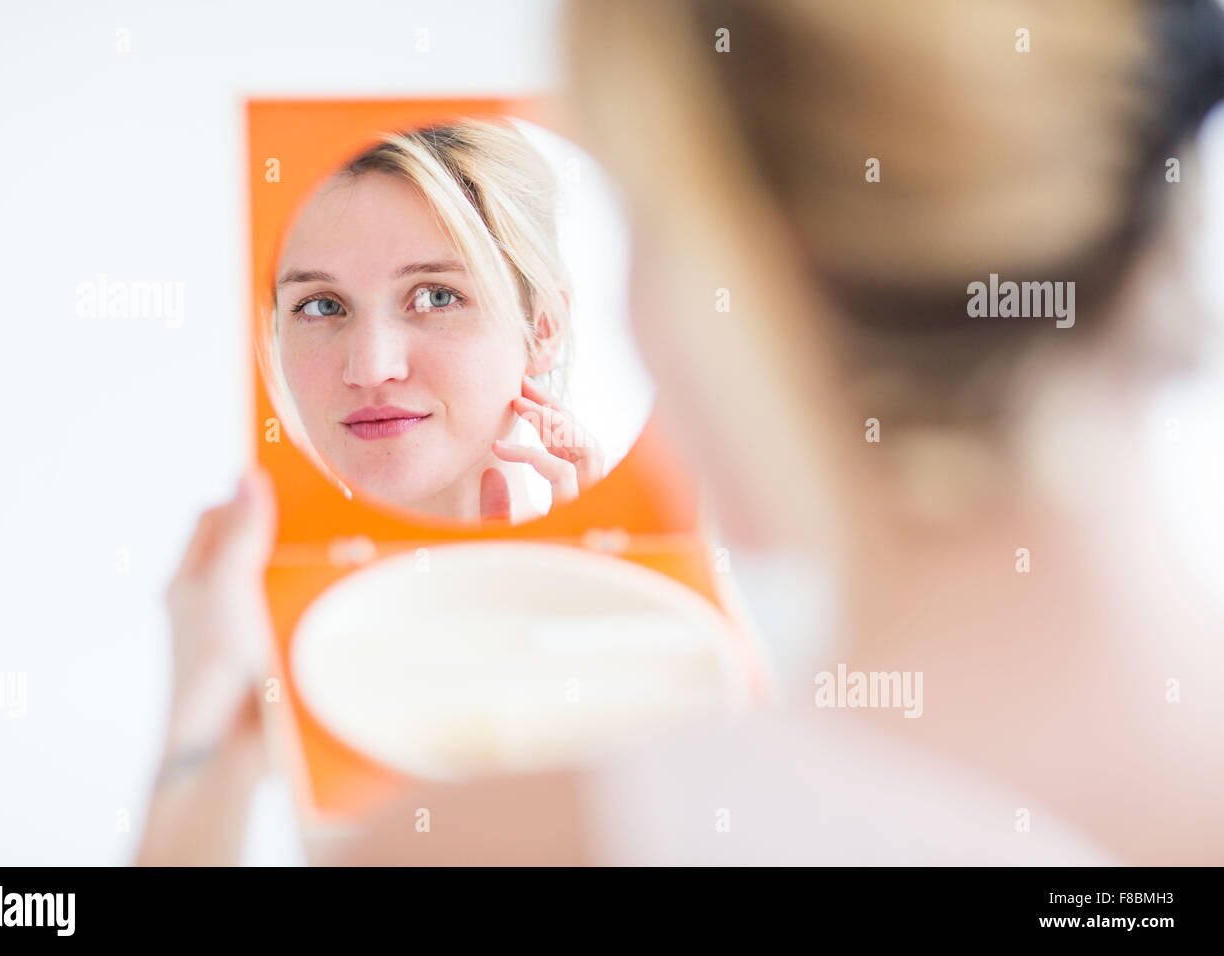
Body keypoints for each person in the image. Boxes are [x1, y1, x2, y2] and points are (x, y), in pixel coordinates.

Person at [137, 0, 1224, 864]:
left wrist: (201, 752)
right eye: (317, 304)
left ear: (757, 268)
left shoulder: (510, 844)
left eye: (649, 225)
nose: (372, 364)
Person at [265, 118, 604, 523]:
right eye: (321, 305)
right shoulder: (237, 583)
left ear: (544, 329)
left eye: (436, 297)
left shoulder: (650, 578)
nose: (371, 369)